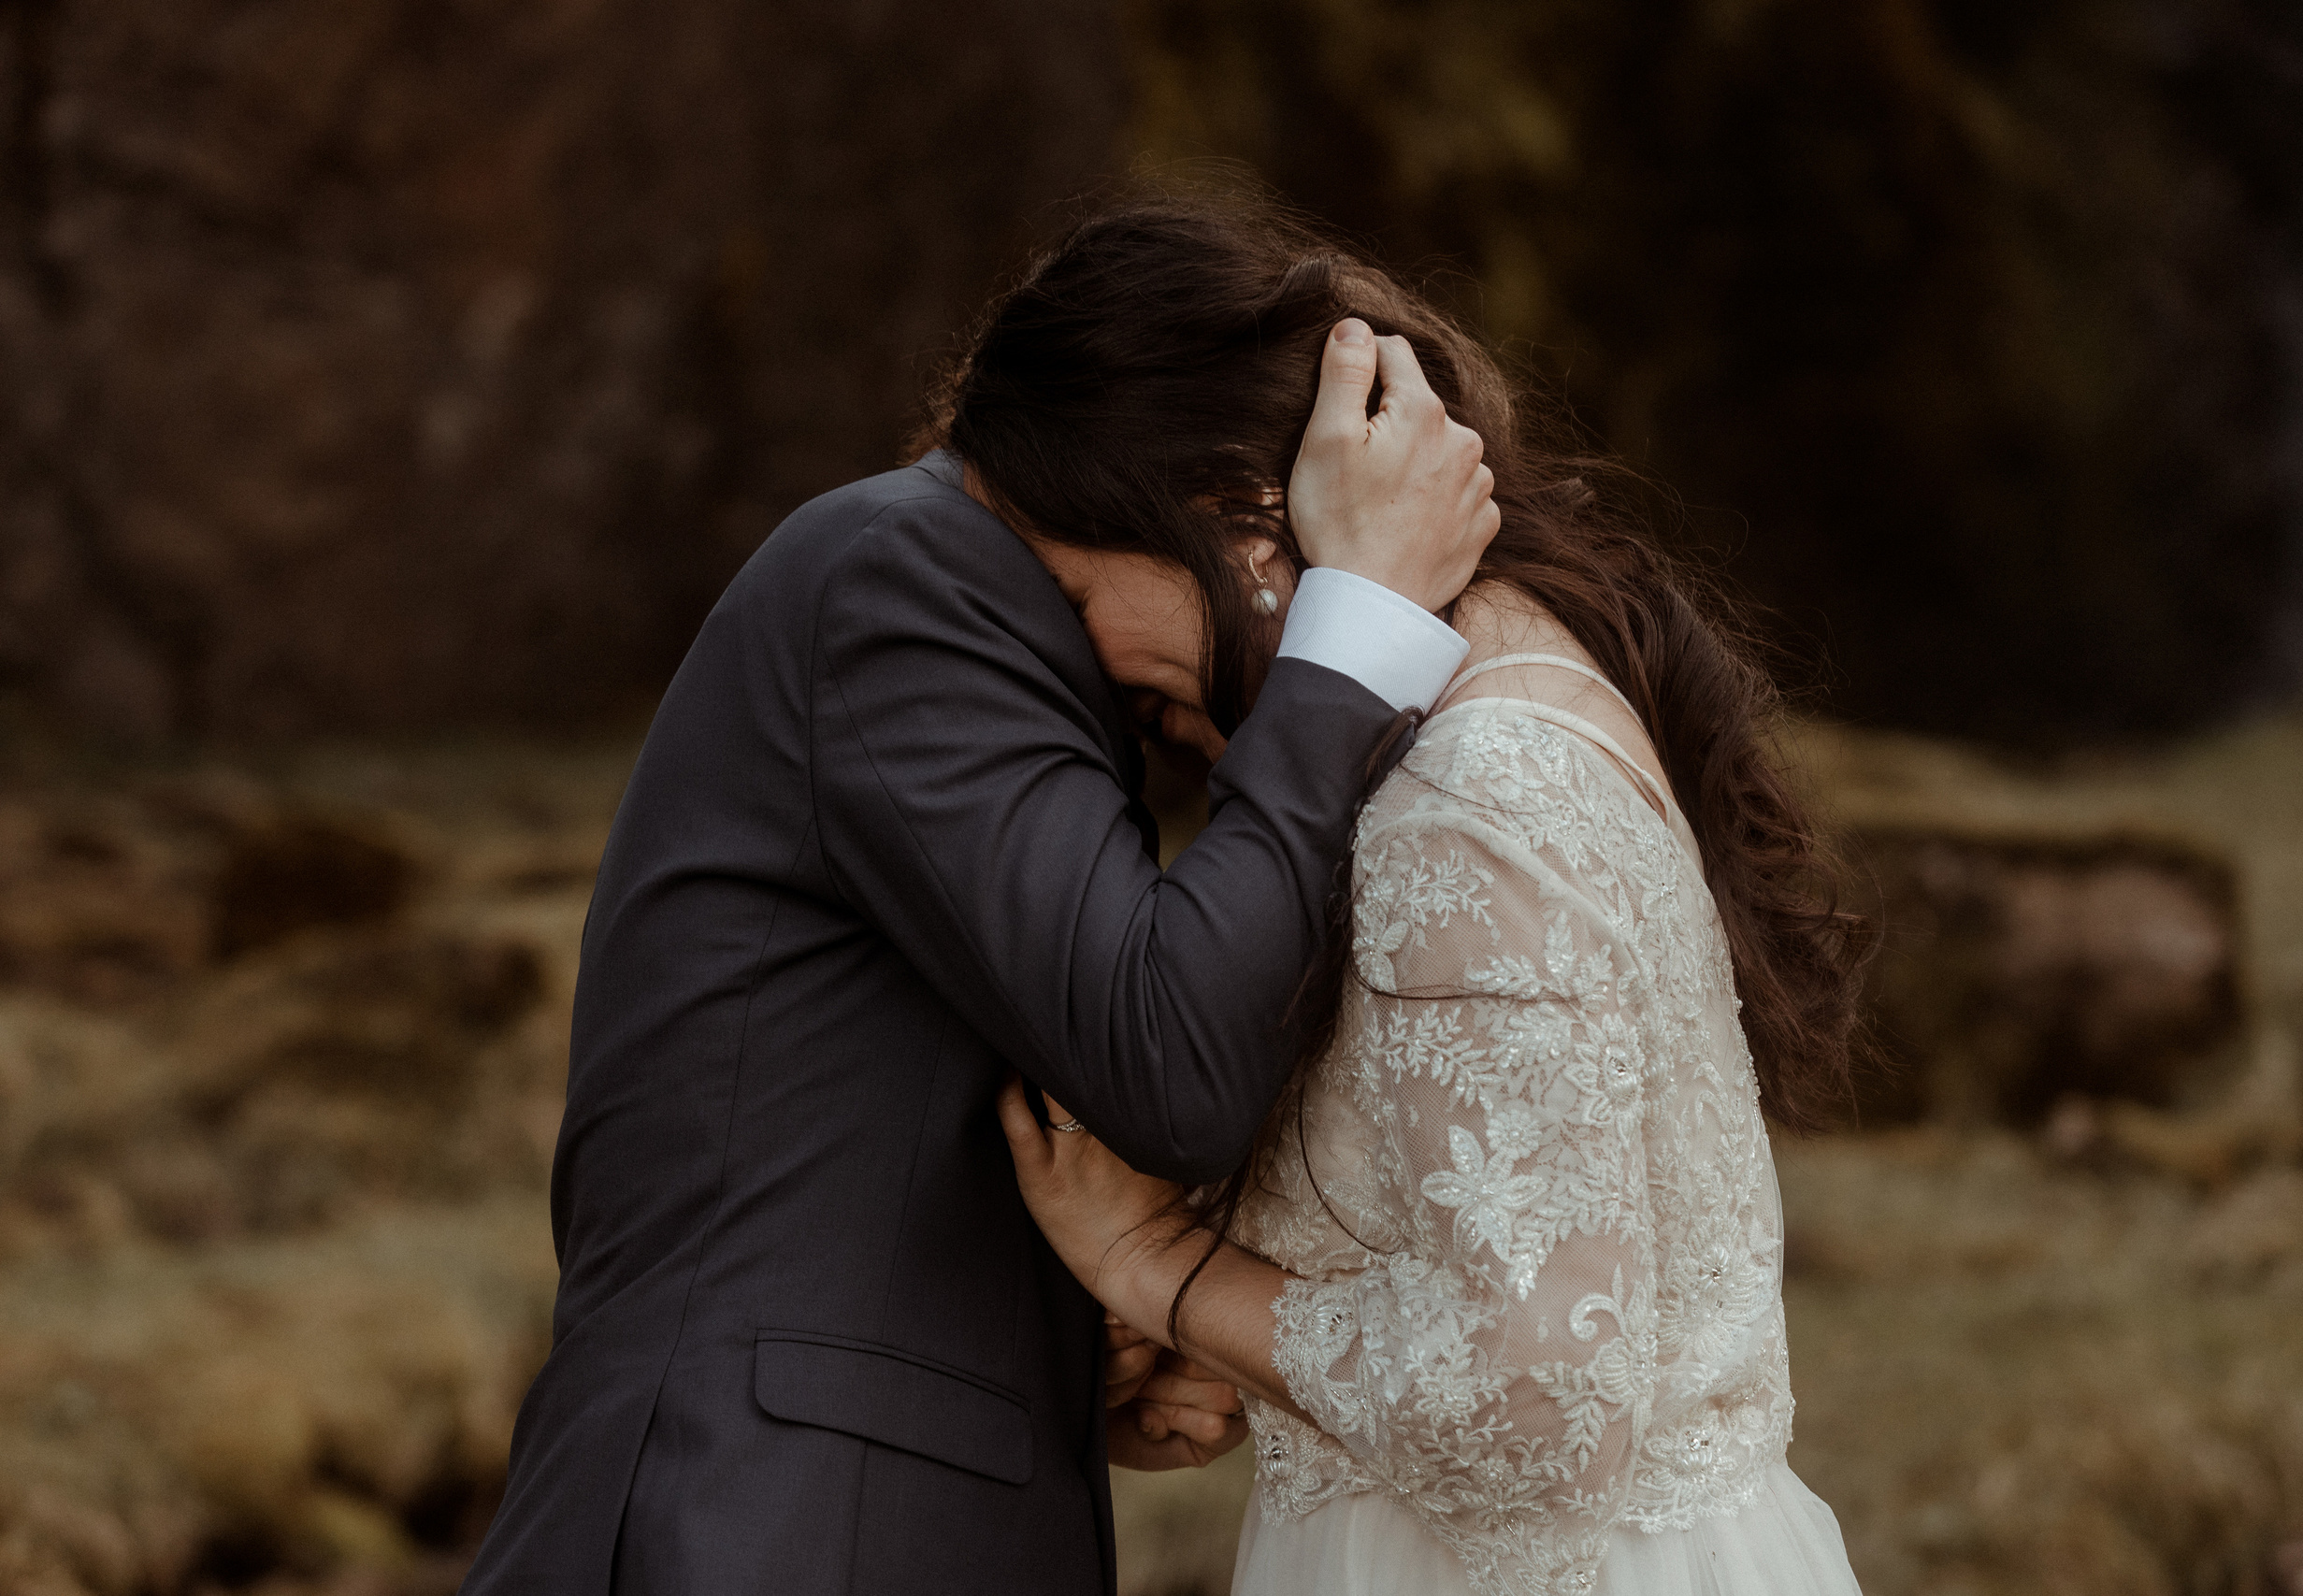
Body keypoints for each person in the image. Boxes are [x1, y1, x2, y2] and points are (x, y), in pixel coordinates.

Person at [458, 225, 1500, 1590]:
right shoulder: (907, 578)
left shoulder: (981, 631)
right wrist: (1357, 629)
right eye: (1285, 611)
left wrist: (1086, 1340)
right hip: (746, 1528)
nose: (1237, 741)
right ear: (1237, 508)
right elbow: (1169, 1059)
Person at [997, 202, 1874, 1594]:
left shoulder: (1472, 795)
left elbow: (1538, 1421)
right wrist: (1238, 1351)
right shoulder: (1507, 704)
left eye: (1060, 589)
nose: (1063, 658)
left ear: (1232, 511)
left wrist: (1157, 1264)